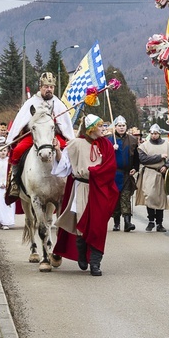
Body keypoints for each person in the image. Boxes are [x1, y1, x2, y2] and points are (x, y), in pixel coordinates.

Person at [52, 114, 118, 277]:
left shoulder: (106, 145)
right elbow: (64, 167)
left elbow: (110, 168)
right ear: (91, 129)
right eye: (100, 126)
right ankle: (82, 254)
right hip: (81, 186)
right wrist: (58, 151)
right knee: (81, 225)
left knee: (98, 226)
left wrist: (95, 171)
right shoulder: (75, 144)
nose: (103, 129)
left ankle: (95, 263)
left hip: (99, 188)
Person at [6, 72, 75, 199]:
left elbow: (65, 126)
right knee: (17, 151)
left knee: (68, 150)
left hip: (53, 136)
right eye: (46, 86)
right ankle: (15, 181)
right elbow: (20, 122)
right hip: (34, 136)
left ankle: (71, 181)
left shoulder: (58, 104)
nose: (49, 89)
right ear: (40, 87)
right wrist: (13, 138)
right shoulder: (31, 103)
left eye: (51, 87)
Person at [136, 124, 169, 232]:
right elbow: (143, 159)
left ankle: (159, 223)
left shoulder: (167, 145)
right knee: (150, 196)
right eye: (152, 133)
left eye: (156, 133)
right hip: (149, 173)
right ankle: (151, 221)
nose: (154, 135)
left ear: (159, 134)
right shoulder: (145, 146)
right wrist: (159, 157)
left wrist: (166, 166)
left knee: (160, 198)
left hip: (161, 175)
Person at [108, 115, 140, 232]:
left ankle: (127, 222)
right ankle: (116, 223)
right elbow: (103, 157)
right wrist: (111, 149)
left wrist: (135, 168)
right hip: (113, 175)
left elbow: (136, 157)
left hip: (127, 174)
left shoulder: (132, 140)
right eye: (119, 126)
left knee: (125, 197)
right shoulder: (109, 140)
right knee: (116, 199)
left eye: (123, 126)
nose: (121, 128)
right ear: (115, 127)